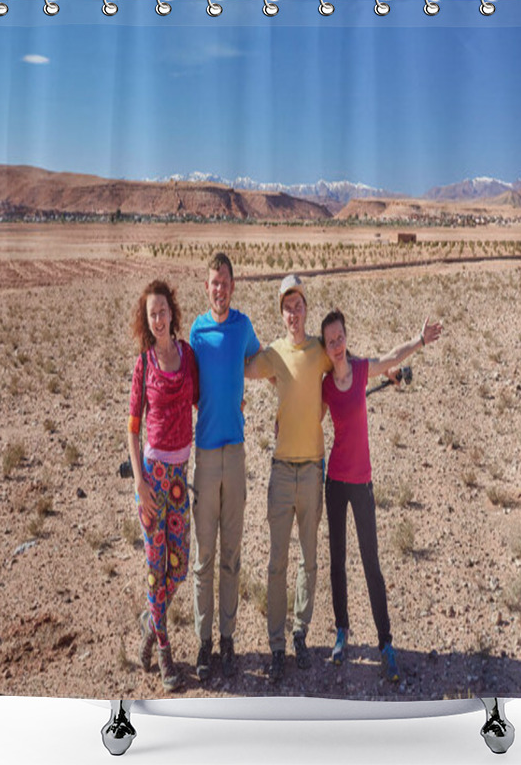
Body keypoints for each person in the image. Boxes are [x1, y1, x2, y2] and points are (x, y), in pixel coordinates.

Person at [320, 309, 442, 682]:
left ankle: (385, 641)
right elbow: (311, 418)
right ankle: (342, 631)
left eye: (340, 337)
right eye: (330, 341)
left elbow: (392, 356)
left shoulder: (360, 371)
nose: (337, 345)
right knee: (337, 560)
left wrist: (419, 341)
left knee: (371, 561)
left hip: (361, 482)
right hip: (335, 481)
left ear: (346, 337)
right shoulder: (325, 385)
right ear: (325, 348)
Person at [244, 274, 332, 684]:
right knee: (277, 562)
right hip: (282, 473)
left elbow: (351, 367)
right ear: (280, 314)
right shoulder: (273, 355)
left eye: (298, 306)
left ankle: (301, 632)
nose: (293, 313)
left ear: (306, 310)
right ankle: (276, 645)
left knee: (309, 561)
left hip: (313, 469)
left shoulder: (320, 350)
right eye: (287, 307)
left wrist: (399, 362)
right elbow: (240, 369)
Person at [189, 253, 261, 681]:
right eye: (214, 283)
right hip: (203, 455)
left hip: (235, 454)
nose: (220, 289)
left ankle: (229, 640)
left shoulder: (243, 327)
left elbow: (257, 362)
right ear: (207, 287)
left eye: (226, 282)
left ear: (234, 286)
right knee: (204, 557)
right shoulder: (196, 331)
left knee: (231, 554)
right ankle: (203, 643)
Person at [127, 280, 199, 693]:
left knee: (179, 566)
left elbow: (200, 400)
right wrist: (139, 481)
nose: (158, 319)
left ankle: (149, 622)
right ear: (147, 318)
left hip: (180, 477)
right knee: (156, 569)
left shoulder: (187, 355)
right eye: (151, 313)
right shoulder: (144, 364)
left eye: (163, 311)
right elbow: (132, 428)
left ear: (172, 312)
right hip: (153, 478)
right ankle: (164, 652)